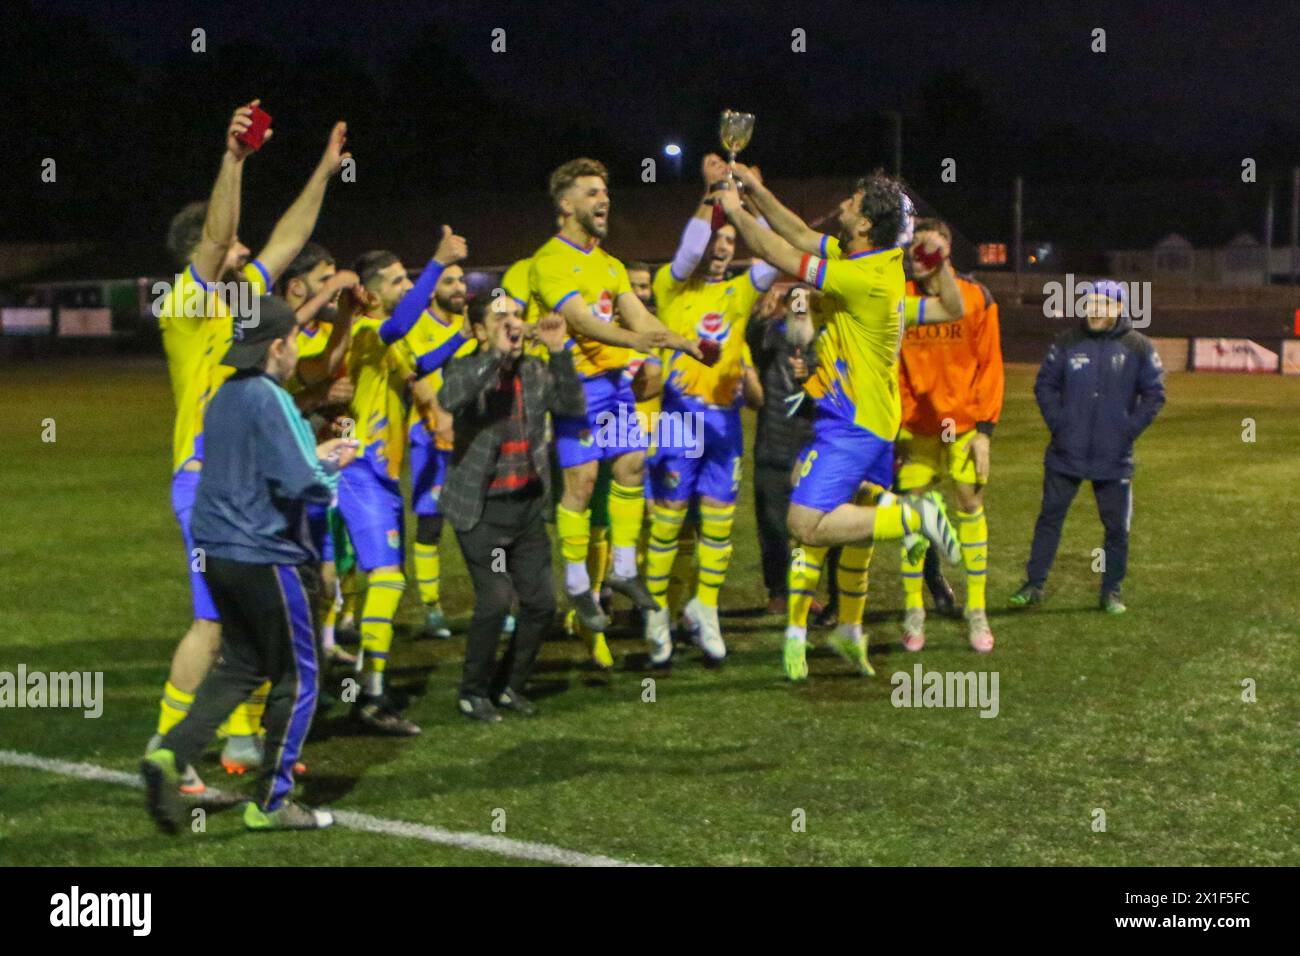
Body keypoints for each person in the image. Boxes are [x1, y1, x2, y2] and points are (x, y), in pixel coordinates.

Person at [152, 104, 350, 785]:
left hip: (247, 485)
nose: (246, 256)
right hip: (205, 482)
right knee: (214, 627)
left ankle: (241, 743)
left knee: (256, 622)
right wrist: (233, 161)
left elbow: (290, 239)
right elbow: (218, 238)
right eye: (236, 252)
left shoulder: (239, 305)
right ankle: (171, 748)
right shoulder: (186, 305)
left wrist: (323, 171)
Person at [717, 164, 965, 681]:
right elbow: (802, 235)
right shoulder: (864, 260)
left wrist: (734, 208)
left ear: (867, 224)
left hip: (853, 424)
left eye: (852, 203)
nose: (843, 207)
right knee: (856, 534)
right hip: (868, 418)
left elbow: (779, 253)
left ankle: (915, 517)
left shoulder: (861, 276)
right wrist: (758, 189)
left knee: (804, 524)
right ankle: (851, 630)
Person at [142, 295, 359, 833]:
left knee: (242, 664)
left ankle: (171, 751)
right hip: (265, 557)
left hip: (219, 554)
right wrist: (331, 464)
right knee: (301, 676)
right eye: (295, 343)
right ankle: (271, 804)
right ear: (279, 345)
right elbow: (302, 482)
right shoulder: (271, 396)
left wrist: (311, 461)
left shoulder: (223, 396)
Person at [527, 158, 703, 637]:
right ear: (565, 204)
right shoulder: (549, 262)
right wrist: (633, 343)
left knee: (630, 465)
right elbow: (582, 321)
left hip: (614, 387)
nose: (603, 201)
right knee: (581, 484)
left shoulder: (609, 264)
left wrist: (677, 341)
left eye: (605, 193)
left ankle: (624, 569)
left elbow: (636, 315)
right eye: (591, 193)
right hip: (574, 390)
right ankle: (579, 583)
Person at [641, 153, 774, 664]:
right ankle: (657, 615)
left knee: (719, 523)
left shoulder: (740, 293)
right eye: (715, 241)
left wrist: (755, 197)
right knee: (670, 523)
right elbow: (686, 249)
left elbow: (772, 258)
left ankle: (706, 608)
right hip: (678, 418)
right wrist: (712, 191)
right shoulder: (670, 287)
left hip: (723, 423)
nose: (720, 250)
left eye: (728, 242)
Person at [337, 226, 468, 735]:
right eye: (395, 281)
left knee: (379, 580)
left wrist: (461, 336)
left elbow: (420, 366)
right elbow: (402, 325)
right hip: (360, 472)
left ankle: (364, 684)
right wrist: (436, 263)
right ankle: (368, 696)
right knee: (386, 581)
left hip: (385, 476)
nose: (403, 287)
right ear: (371, 293)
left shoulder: (391, 337)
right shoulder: (370, 332)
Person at [438, 296, 586, 721]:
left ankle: (509, 687)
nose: (513, 325)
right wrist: (495, 358)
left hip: (524, 511)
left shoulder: (535, 371)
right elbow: (451, 399)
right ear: (480, 331)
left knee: (541, 604)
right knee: (497, 602)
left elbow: (572, 408)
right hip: (483, 513)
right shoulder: (464, 367)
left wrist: (560, 352)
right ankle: (472, 692)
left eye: (516, 316)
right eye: (500, 317)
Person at [1009, 281, 1165, 614]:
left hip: (1114, 457)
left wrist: (1127, 430)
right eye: (1091, 302)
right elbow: (1045, 386)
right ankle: (1033, 584)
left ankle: (1111, 591)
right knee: (1049, 519)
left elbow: (1155, 394)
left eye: (1104, 303)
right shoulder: (1066, 342)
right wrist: (1060, 424)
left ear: (1119, 308)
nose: (1095, 308)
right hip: (1066, 453)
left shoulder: (1138, 346)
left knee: (1116, 529)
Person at [896, 217, 1005, 653]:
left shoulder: (978, 298)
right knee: (911, 516)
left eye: (933, 248)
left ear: (947, 252)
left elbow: (989, 364)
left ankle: (976, 610)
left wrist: (985, 431)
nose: (923, 256)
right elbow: (889, 364)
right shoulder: (898, 299)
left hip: (962, 425)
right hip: (914, 428)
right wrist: (897, 425)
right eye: (917, 248)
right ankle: (913, 609)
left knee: (970, 506)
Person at [280, 243, 361, 667]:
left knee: (334, 560)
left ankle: (324, 644)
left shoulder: (324, 329)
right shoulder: (275, 332)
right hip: (290, 469)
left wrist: (346, 307)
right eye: (323, 279)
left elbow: (331, 362)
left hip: (328, 459)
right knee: (307, 569)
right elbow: (320, 371)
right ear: (298, 287)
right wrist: (319, 394)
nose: (333, 287)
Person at [747, 286, 819, 616]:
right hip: (773, 444)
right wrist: (765, 307)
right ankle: (777, 590)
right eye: (795, 304)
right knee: (773, 524)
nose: (800, 311)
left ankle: (805, 591)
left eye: (806, 305)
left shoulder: (822, 344)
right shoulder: (770, 339)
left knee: (809, 528)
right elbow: (753, 335)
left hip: (810, 446)